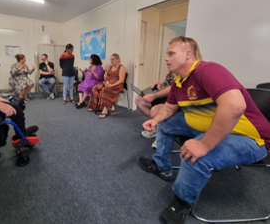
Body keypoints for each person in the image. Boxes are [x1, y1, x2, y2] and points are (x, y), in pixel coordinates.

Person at [138, 36, 270, 224]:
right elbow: (169, 107)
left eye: (171, 53)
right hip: (206, 123)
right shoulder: (178, 82)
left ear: (188, 55)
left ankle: (182, 202)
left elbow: (234, 106)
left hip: (248, 137)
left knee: (197, 153)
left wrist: (204, 144)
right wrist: (157, 119)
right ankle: (163, 167)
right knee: (166, 124)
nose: (166, 58)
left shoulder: (207, 70)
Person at [135, 72, 175, 140]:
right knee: (139, 99)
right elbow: (167, 83)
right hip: (163, 97)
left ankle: (160, 133)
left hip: (173, 100)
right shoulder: (171, 72)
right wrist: (160, 84)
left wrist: (154, 95)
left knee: (154, 110)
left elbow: (173, 88)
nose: (167, 60)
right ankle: (154, 127)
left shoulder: (181, 72)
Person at [87, 53, 126, 119]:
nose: (111, 61)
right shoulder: (110, 67)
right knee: (95, 88)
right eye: (111, 59)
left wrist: (111, 85)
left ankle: (105, 110)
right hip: (107, 83)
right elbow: (105, 78)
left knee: (104, 90)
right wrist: (106, 71)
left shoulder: (121, 67)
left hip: (116, 85)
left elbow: (121, 80)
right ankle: (95, 106)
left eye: (113, 59)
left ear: (118, 59)